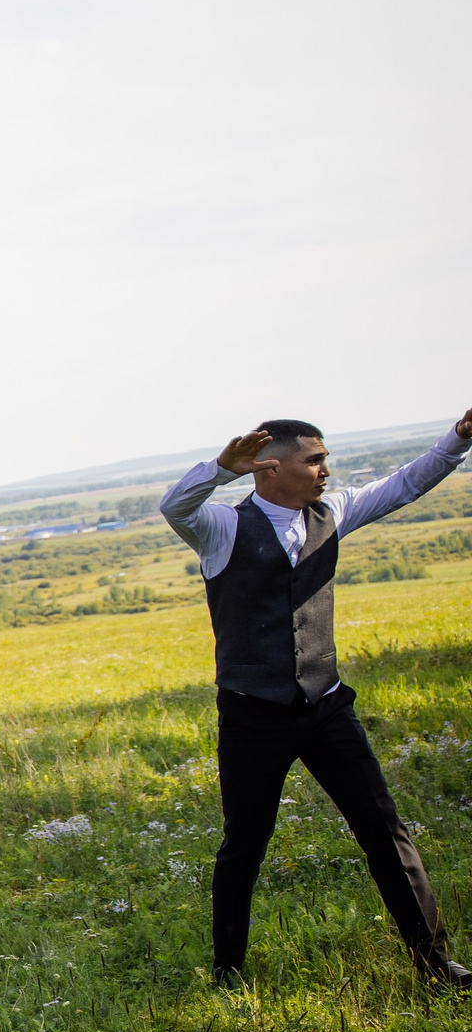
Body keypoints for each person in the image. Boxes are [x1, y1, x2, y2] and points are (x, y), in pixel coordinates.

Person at [161, 410, 472, 987]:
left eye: (324, 459)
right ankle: (228, 971)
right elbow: (174, 507)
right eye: (315, 460)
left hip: (327, 707)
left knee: (385, 831)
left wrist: (457, 439)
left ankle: (434, 964)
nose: (326, 471)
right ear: (270, 467)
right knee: (244, 845)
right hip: (253, 714)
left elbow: (406, 483)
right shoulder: (222, 528)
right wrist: (218, 469)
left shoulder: (333, 514)